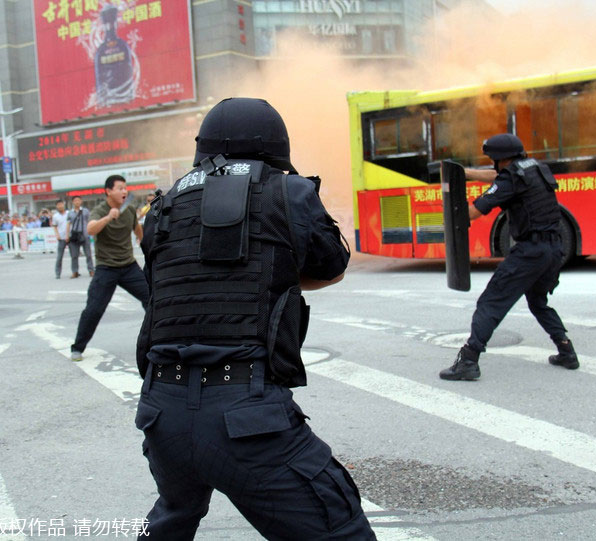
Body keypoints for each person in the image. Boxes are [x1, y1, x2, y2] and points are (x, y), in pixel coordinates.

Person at [134, 98, 374, 540]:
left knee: (175, 513)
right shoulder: (289, 191)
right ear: (274, 145)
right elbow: (331, 266)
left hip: (160, 412)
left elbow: (168, 286)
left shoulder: (162, 207)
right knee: (342, 530)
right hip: (246, 417)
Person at [440, 133, 578, 381]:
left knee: (490, 303)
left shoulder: (509, 179)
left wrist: (451, 211)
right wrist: (467, 173)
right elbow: (501, 177)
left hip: (530, 252)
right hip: (555, 249)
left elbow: (474, 211)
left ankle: (468, 360)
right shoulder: (534, 167)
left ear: (497, 158)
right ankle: (566, 350)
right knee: (538, 302)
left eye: (491, 159)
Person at [70, 175, 149, 361]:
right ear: (108, 191)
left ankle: (156, 338)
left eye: (125, 188)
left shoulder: (129, 210)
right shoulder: (99, 210)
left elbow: (137, 230)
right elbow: (90, 230)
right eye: (120, 188)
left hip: (129, 266)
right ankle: (77, 347)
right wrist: (108, 217)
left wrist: (143, 239)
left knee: (152, 298)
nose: (124, 191)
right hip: (106, 268)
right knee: (94, 309)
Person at [66, 195, 95, 278]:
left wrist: (91, 232)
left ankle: (91, 270)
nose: (77, 202)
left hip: (85, 235)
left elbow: (89, 221)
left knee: (88, 254)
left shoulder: (85, 211)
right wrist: (67, 235)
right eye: (75, 201)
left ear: (81, 201)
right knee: (74, 255)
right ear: (73, 202)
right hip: (74, 236)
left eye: (78, 200)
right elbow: (68, 224)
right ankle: (75, 271)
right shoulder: (70, 213)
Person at [52, 199, 70, 279]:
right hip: (61, 238)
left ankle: (75, 271)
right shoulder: (55, 216)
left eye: (61, 204)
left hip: (70, 237)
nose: (60, 206)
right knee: (59, 257)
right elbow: (54, 226)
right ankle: (57, 273)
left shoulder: (69, 213)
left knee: (74, 255)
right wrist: (57, 235)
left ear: (64, 204)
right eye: (58, 205)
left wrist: (68, 235)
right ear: (56, 206)